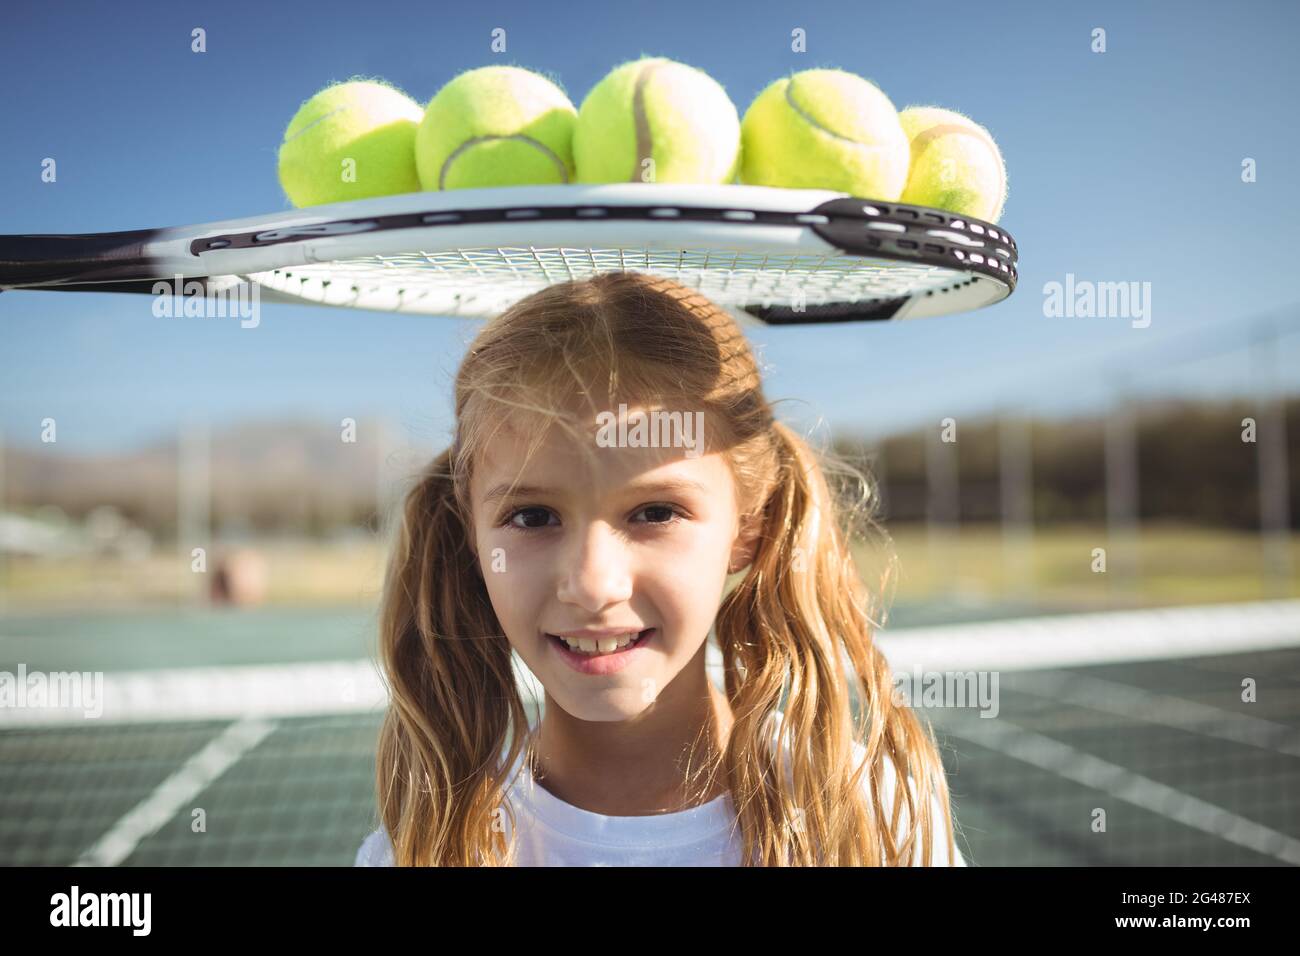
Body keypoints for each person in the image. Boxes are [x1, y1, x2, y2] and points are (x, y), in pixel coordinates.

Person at [355, 272, 966, 866]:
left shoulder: (876, 821)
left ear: (748, 527)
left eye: (655, 511)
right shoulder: (420, 849)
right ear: (471, 534)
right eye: (534, 517)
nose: (594, 585)